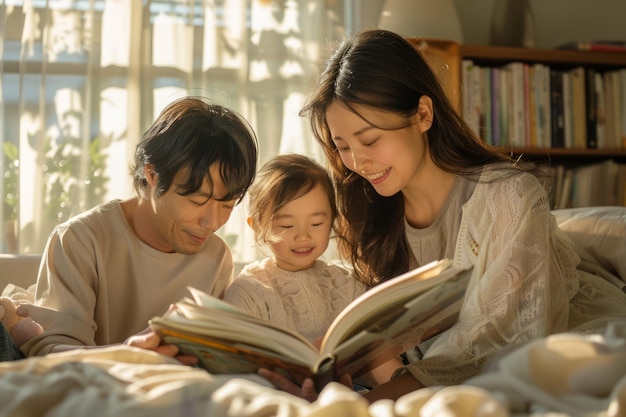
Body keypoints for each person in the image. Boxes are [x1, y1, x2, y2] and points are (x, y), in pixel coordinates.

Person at [259, 29, 626, 402]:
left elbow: (503, 340)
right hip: (420, 381)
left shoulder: (508, 195)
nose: (358, 162)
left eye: (369, 140)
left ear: (422, 114)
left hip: (561, 345)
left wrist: (363, 404)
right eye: (343, 147)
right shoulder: (369, 209)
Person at [17, 96, 258, 362]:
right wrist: (130, 355)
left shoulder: (216, 257)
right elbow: (50, 354)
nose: (212, 223)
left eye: (227, 204)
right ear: (153, 175)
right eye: (197, 200)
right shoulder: (81, 239)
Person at [223, 153, 401, 393]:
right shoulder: (249, 292)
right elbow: (238, 372)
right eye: (286, 225)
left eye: (316, 223)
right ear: (257, 227)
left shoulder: (350, 281)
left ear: (332, 220)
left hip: (353, 396)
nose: (303, 236)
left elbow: (376, 362)